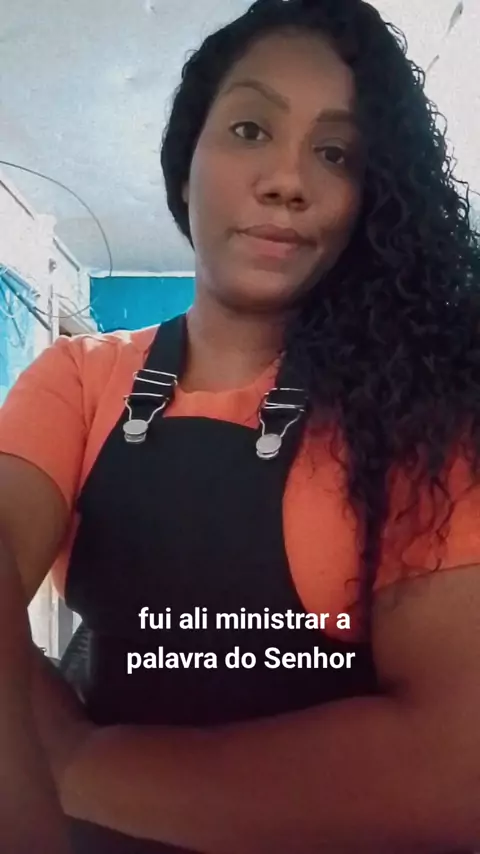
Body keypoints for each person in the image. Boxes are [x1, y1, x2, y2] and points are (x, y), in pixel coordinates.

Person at [0, 0, 479, 852]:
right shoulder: (79, 377)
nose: (287, 180)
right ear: (184, 168)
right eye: (251, 129)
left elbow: (453, 772)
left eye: (334, 153)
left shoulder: (422, 414)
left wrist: (75, 763)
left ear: (366, 199)